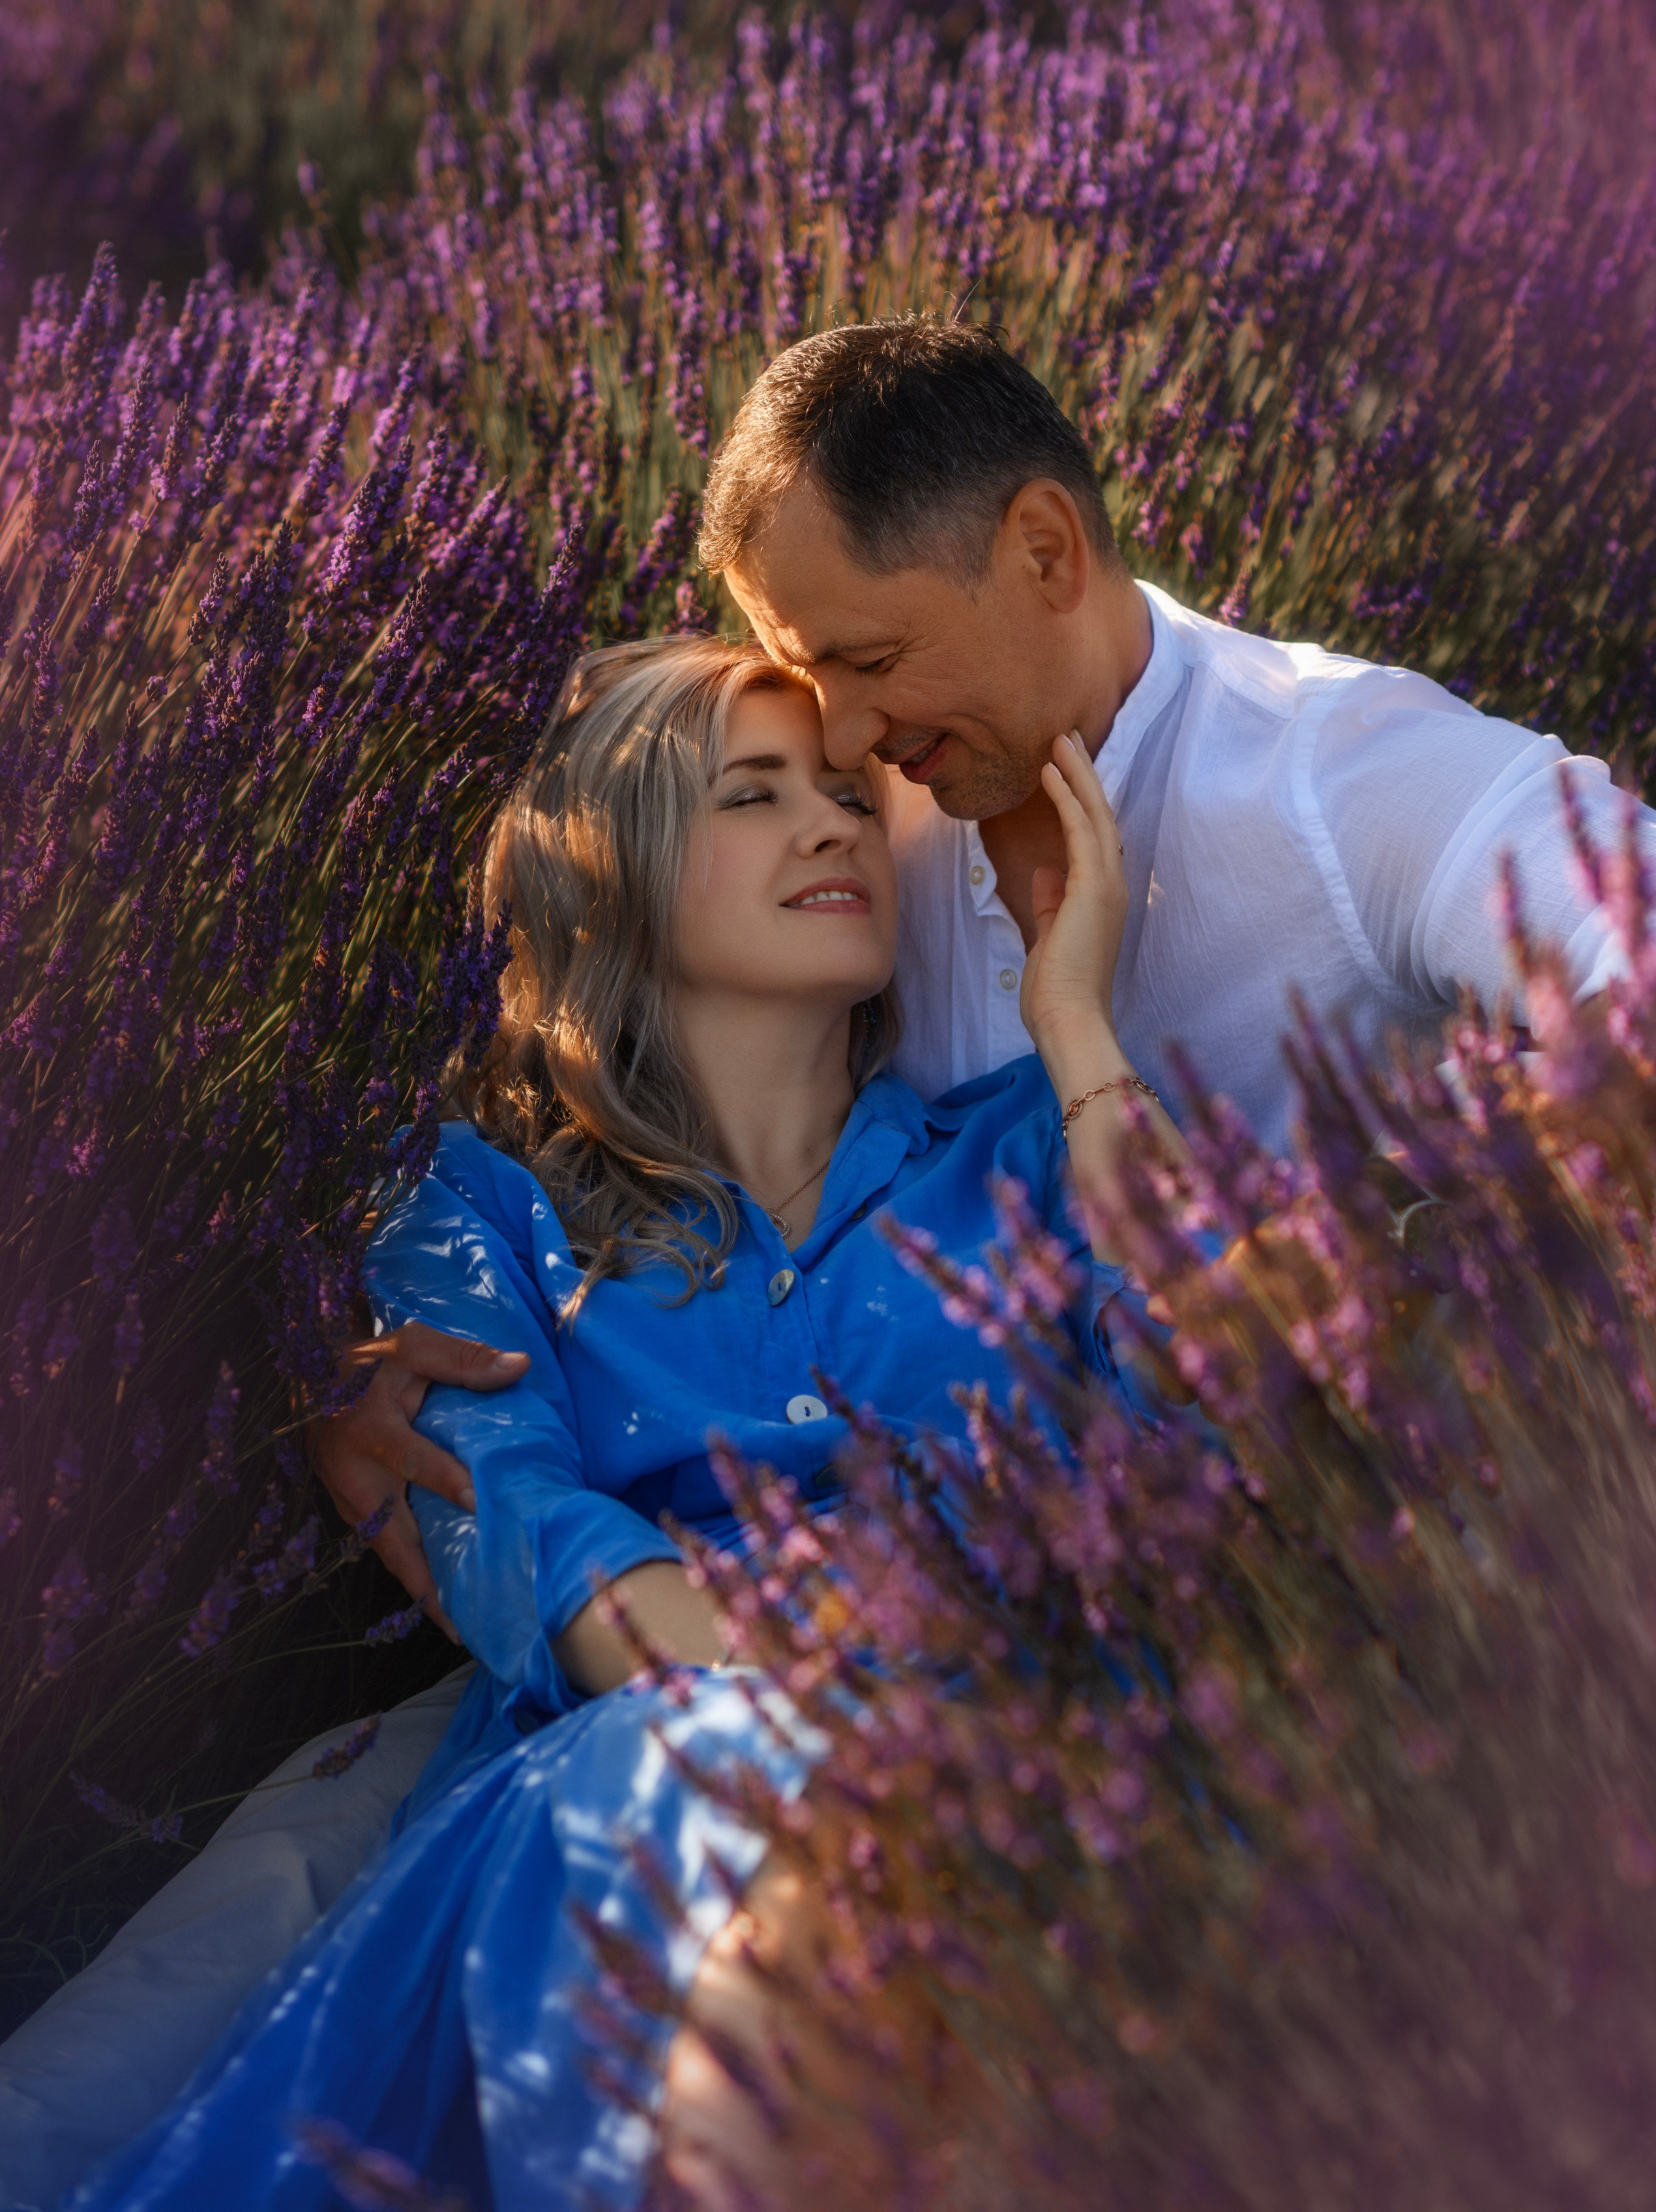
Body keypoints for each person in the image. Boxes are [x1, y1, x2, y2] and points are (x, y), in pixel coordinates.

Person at [321, 310, 1656, 1633]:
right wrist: (371, 1391)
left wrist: (1407, 1247)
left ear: (1040, 549)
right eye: (805, 669)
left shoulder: (1340, 775)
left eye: (869, 660)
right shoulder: (862, 815)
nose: (840, 734)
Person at [71, 633, 1188, 2210]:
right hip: (669, 1758)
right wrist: (818, 1720)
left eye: (846, 797)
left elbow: (1218, 1397)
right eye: (752, 795)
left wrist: (1075, 1028)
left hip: (1039, 1710)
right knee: (797, 1854)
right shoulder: (475, 1208)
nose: (831, 827)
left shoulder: (1022, 1148)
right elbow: (503, 1509)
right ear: (607, 880)